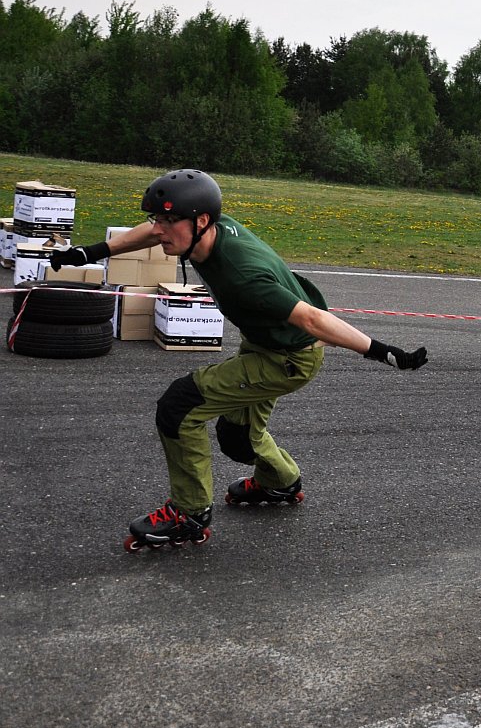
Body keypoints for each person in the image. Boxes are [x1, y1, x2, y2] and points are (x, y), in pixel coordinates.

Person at [48, 169, 428, 551]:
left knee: (180, 405)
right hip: (264, 344)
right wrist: (90, 252)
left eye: (168, 221)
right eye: (157, 219)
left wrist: (383, 352)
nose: (158, 230)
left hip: (287, 359)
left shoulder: (242, 275)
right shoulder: (205, 227)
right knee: (236, 438)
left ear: (200, 222)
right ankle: (280, 482)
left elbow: (313, 320)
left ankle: (189, 513)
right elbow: (150, 231)